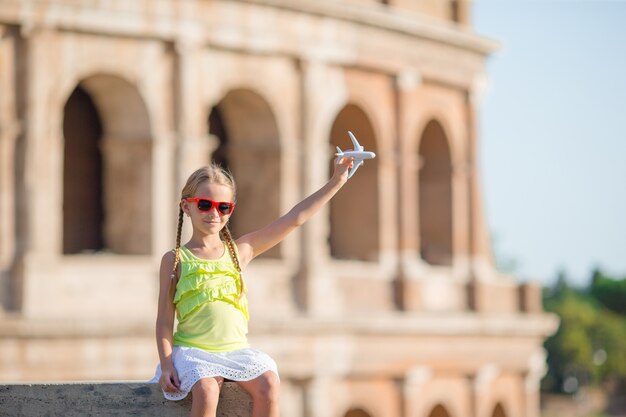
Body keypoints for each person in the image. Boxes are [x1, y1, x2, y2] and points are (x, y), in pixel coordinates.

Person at [152, 155, 354, 417]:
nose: (214, 213)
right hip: (194, 353)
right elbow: (164, 320)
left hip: (235, 351)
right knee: (207, 391)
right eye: (205, 204)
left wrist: (336, 182)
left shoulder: (239, 251)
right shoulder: (175, 259)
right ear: (186, 206)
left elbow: (295, 218)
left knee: (269, 383)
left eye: (223, 207)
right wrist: (167, 364)